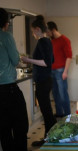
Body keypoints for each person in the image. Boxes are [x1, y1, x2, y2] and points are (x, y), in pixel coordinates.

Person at [21, 15, 57, 146]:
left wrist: (28, 60)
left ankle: (48, 139)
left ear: (37, 29)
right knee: (47, 111)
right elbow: (51, 60)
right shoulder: (47, 41)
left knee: (46, 112)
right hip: (46, 80)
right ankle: (51, 137)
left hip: (43, 81)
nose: (32, 34)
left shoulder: (43, 41)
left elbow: (46, 62)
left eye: (32, 31)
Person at [0, 8, 29, 151]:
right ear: (5, 23)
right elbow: (15, 59)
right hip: (8, 89)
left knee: (3, 130)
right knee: (20, 126)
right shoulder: (6, 36)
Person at [47, 21, 72, 117]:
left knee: (63, 95)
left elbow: (69, 57)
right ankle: (59, 113)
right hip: (51, 71)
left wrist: (65, 71)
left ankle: (67, 115)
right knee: (55, 94)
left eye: (48, 31)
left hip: (61, 71)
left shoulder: (65, 40)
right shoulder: (50, 40)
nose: (47, 34)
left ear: (53, 30)